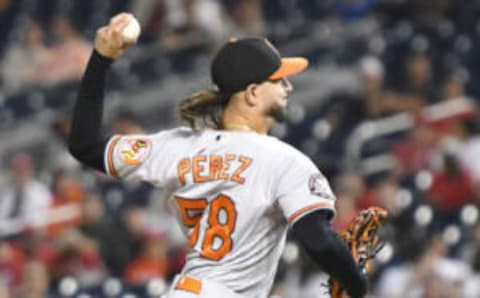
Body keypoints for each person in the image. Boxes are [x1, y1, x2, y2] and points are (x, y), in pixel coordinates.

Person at [68, 13, 367, 298]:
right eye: (277, 80)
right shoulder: (285, 161)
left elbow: (85, 146)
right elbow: (318, 240)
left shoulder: (179, 146)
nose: (288, 86)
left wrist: (101, 59)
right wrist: (355, 280)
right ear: (251, 93)